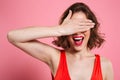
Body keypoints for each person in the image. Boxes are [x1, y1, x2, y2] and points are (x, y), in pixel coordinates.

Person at [7, 2, 114, 80]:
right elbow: (12, 36)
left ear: (91, 29)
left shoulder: (105, 65)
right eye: (73, 26)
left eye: (82, 25)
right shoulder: (55, 58)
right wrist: (60, 30)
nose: (77, 31)